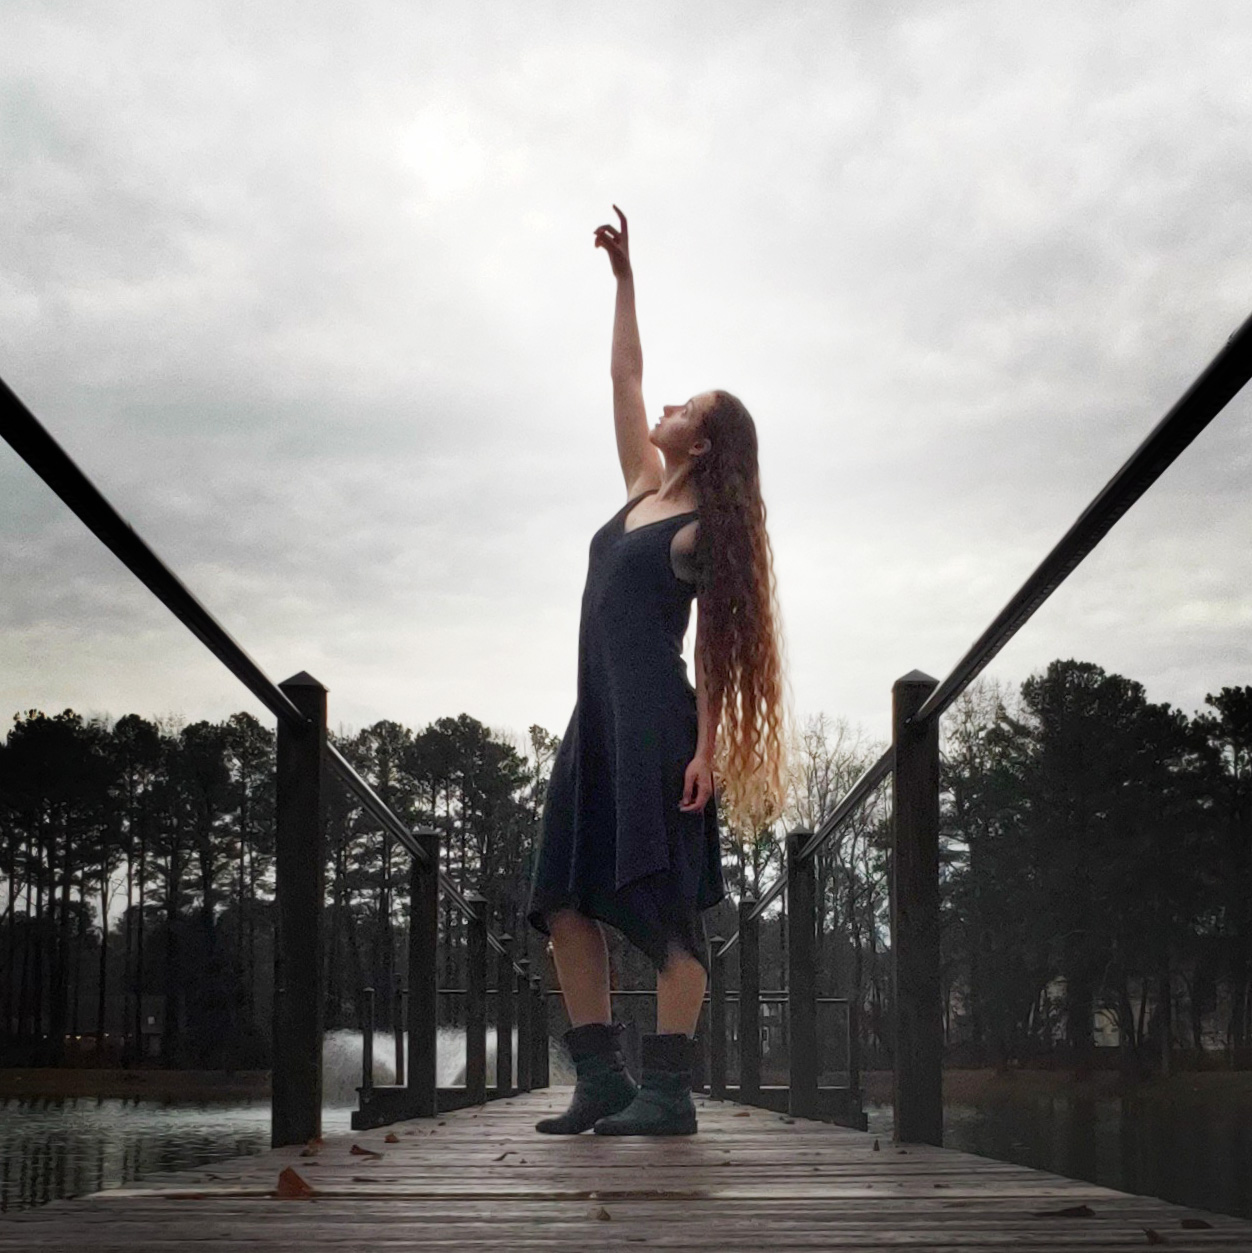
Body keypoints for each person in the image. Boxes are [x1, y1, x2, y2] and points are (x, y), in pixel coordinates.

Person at [525, 206, 787, 1136]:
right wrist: (627, 282)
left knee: (662, 906)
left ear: (705, 446)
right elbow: (625, 374)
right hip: (594, 719)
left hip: (653, 726)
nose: (668, 408)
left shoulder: (701, 533)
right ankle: (601, 1081)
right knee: (560, 898)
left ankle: (668, 1093)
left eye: (689, 411)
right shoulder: (642, 483)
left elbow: (715, 648)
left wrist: (708, 748)